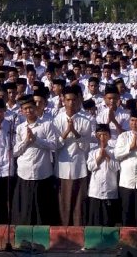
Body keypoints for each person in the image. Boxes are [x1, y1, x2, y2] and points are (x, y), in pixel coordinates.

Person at [13, 95, 59, 225]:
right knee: (26, 208)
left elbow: (53, 145)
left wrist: (36, 140)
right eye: (25, 109)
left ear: (36, 108)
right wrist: (27, 141)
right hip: (25, 172)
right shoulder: (20, 128)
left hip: (42, 172)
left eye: (30, 108)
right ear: (21, 111)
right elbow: (15, 151)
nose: (28, 111)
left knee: (42, 208)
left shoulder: (47, 125)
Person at [53, 85, 93, 226]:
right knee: (63, 202)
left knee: (79, 203)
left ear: (78, 100)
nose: (71, 103)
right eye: (68, 100)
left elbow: (86, 146)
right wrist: (66, 132)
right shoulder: (57, 120)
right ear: (63, 100)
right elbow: (55, 146)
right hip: (62, 165)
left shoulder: (87, 120)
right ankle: (64, 232)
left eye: (74, 100)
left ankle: (78, 231)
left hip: (79, 165)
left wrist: (75, 133)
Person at [85, 123, 119, 226]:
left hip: (110, 188)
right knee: (96, 217)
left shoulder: (114, 151)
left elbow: (116, 167)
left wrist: (107, 157)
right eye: (99, 135)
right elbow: (90, 167)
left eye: (105, 135)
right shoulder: (92, 151)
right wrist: (100, 157)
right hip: (96, 189)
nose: (102, 138)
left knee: (108, 218)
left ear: (109, 136)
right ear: (96, 136)